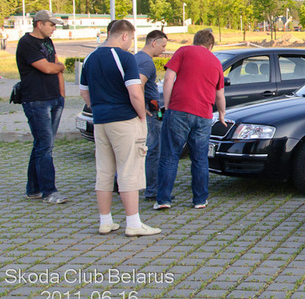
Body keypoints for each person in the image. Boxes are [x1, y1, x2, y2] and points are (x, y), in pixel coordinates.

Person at [79, 20, 161, 237]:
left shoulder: (90, 58)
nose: (131, 43)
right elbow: (135, 93)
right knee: (128, 170)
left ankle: (105, 220)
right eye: (132, 38)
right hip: (124, 120)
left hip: (101, 121)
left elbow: (84, 93)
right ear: (125, 36)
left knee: (104, 171)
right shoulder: (125, 57)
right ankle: (133, 223)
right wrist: (142, 115)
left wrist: (99, 107)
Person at [156, 28, 225, 210]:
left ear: (195, 41)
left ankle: (163, 200)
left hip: (179, 110)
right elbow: (220, 94)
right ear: (210, 46)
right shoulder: (216, 62)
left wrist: (169, 105)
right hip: (203, 115)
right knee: (200, 158)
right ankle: (200, 200)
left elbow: (169, 79)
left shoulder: (184, 51)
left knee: (170, 156)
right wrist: (222, 114)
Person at [16, 10, 67, 204]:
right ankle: (49, 192)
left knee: (41, 145)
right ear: (39, 24)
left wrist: (61, 96)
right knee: (45, 146)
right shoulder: (26, 43)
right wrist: (59, 67)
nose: (54, 29)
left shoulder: (47, 42)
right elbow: (47, 67)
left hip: (54, 98)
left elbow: (55, 66)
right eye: (51, 25)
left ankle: (33, 189)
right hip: (37, 100)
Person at [135, 30, 168, 201]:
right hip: (151, 111)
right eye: (162, 46)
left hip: (147, 110)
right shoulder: (147, 62)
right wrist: (142, 107)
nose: (163, 50)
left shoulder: (136, 57)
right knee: (154, 150)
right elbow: (138, 83)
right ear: (153, 42)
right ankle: (152, 190)